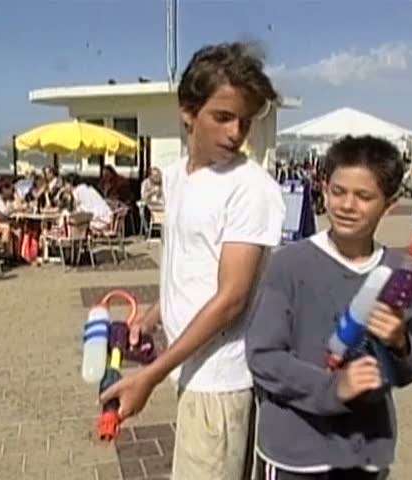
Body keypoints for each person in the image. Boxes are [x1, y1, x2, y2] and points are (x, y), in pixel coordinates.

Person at [99, 42, 285, 480]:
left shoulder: (250, 188)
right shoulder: (178, 175)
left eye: (245, 120)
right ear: (187, 112)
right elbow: (188, 264)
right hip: (189, 370)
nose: (236, 133)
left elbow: (231, 299)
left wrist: (150, 377)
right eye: (223, 117)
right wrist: (153, 315)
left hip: (220, 382)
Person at [246, 135, 412, 480]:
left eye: (364, 196)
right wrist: (331, 388)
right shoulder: (289, 264)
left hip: (365, 452)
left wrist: (400, 343)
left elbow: (411, 367)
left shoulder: (396, 271)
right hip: (295, 454)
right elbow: (263, 356)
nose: (347, 205)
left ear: (388, 205)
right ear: (324, 189)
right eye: (338, 191)